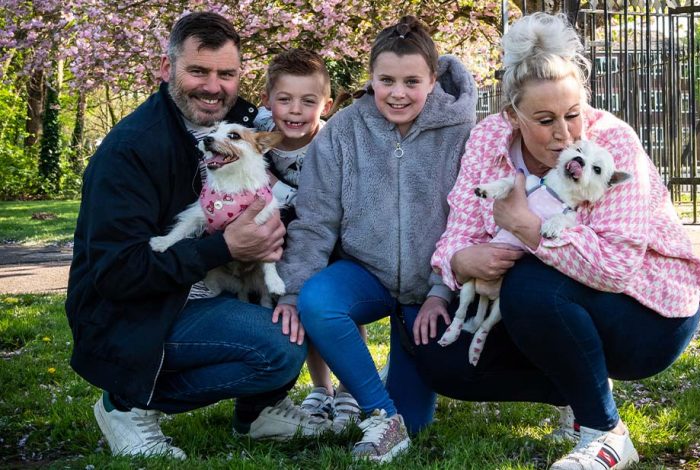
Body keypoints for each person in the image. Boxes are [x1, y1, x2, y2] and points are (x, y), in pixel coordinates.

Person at [409, 12, 700, 470]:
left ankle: (604, 433)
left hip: (648, 314)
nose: (565, 133)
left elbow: (618, 266)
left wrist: (528, 227)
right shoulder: (489, 138)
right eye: (545, 120)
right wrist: (463, 259)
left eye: (573, 115)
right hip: (545, 304)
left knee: (529, 284)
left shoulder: (613, 142)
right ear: (512, 114)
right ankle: (580, 383)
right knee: (439, 359)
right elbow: (458, 231)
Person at [65, 12, 330, 460]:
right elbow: (116, 273)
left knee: (301, 310)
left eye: (226, 74)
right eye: (198, 71)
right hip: (133, 313)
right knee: (278, 346)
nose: (213, 87)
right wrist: (222, 247)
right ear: (167, 69)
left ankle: (260, 412)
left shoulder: (244, 120)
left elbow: (303, 126)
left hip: (215, 288)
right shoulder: (131, 148)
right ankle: (126, 403)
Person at [274, 16, 477, 462]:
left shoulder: (462, 133)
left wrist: (442, 291)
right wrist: (290, 292)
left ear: (432, 79)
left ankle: (402, 405)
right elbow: (315, 220)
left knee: (419, 421)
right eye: (386, 80)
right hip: (365, 273)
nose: (397, 93)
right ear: (371, 79)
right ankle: (380, 415)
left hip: (429, 289)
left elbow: (470, 219)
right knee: (317, 300)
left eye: (411, 81)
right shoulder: (345, 131)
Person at [254, 48, 364, 428]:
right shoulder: (257, 138)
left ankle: (350, 390)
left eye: (308, 101)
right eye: (284, 100)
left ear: (327, 104)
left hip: (333, 237)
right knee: (298, 311)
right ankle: (321, 388)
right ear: (268, 101)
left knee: (334, 307)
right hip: (283, 240)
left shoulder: (333, 140)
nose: (295, 111)